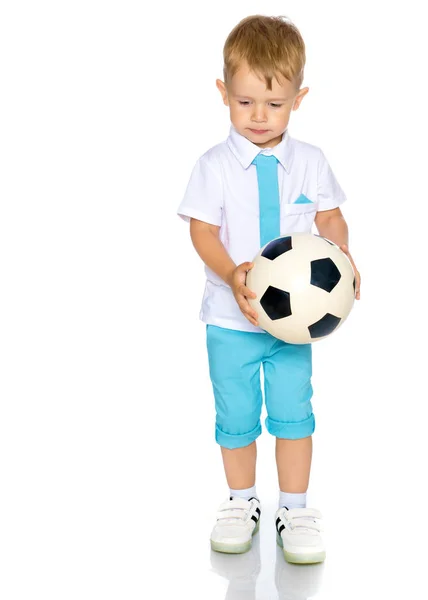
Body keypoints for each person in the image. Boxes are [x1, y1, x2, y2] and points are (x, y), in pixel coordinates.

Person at [177, 14, 361, 564]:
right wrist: (232, 272)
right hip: (230, 321)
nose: (259, 117)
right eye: (245, 102)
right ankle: (240, 503)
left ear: (299, 98)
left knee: (293, 413)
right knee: (234, 416)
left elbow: (329, 219)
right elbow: (202, 230)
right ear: (223, 94)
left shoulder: (310, 162)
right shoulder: (213, 166)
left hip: (295, 324)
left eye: (274, 104)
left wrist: (344, 258)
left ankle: (296, 509)